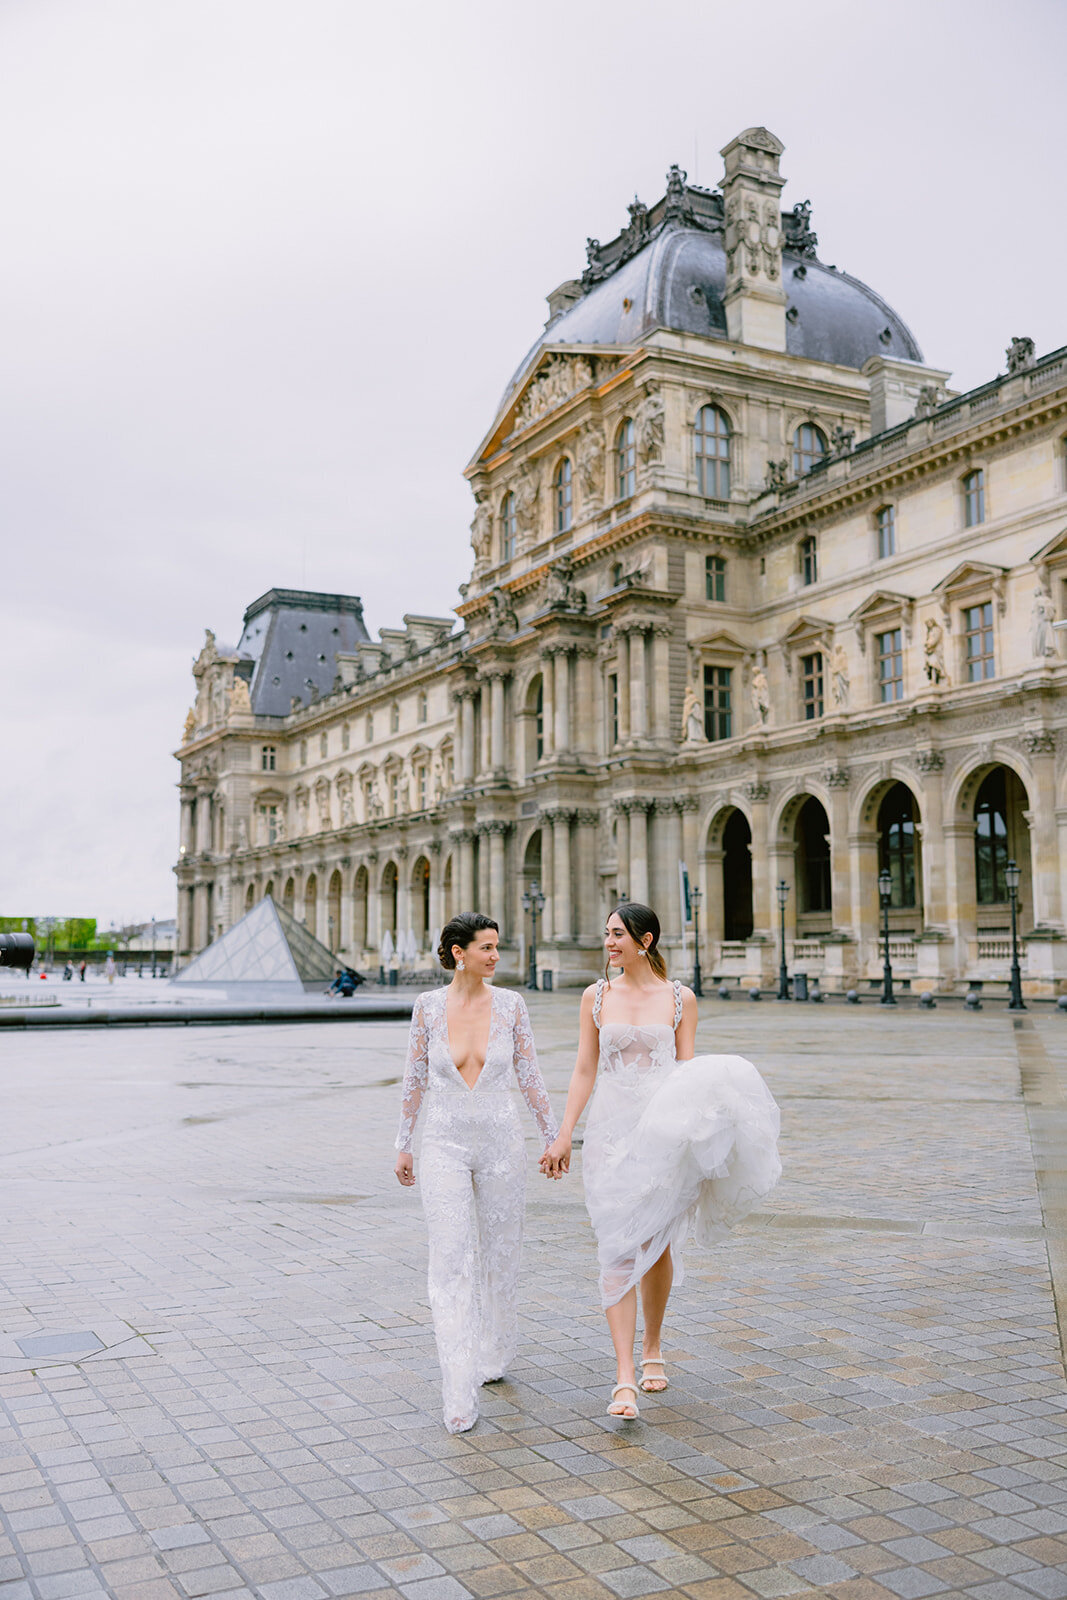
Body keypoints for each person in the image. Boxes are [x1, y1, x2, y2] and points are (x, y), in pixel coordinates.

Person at [542, 902, 781, 1420]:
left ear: (645, 941)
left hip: (662, 1132)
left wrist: (703, 1132)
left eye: (618, 935)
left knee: (654, 1242)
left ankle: (652, 1345)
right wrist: (564, 1136)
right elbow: (585, 1069)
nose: (609, 944)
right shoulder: (595, 996)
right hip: (609, 1133)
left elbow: (687, 1071)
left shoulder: (680, 999)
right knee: (616, 1245)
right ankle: (624, 1376)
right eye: (606, 934)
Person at [394, 912, 558, 1433]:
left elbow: (530, 1074)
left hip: (501, 1143)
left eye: (497, 947)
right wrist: (404, 1144)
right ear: (458, 952)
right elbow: (414, 1077)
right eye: (486, 947)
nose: (495, 956)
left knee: (500, 1252)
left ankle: (494, 1351)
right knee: (450, 1260)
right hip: (442, 1142)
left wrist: (553, 1135)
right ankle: (458, 1389)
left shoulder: (511, 1005)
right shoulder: (427, 1007)